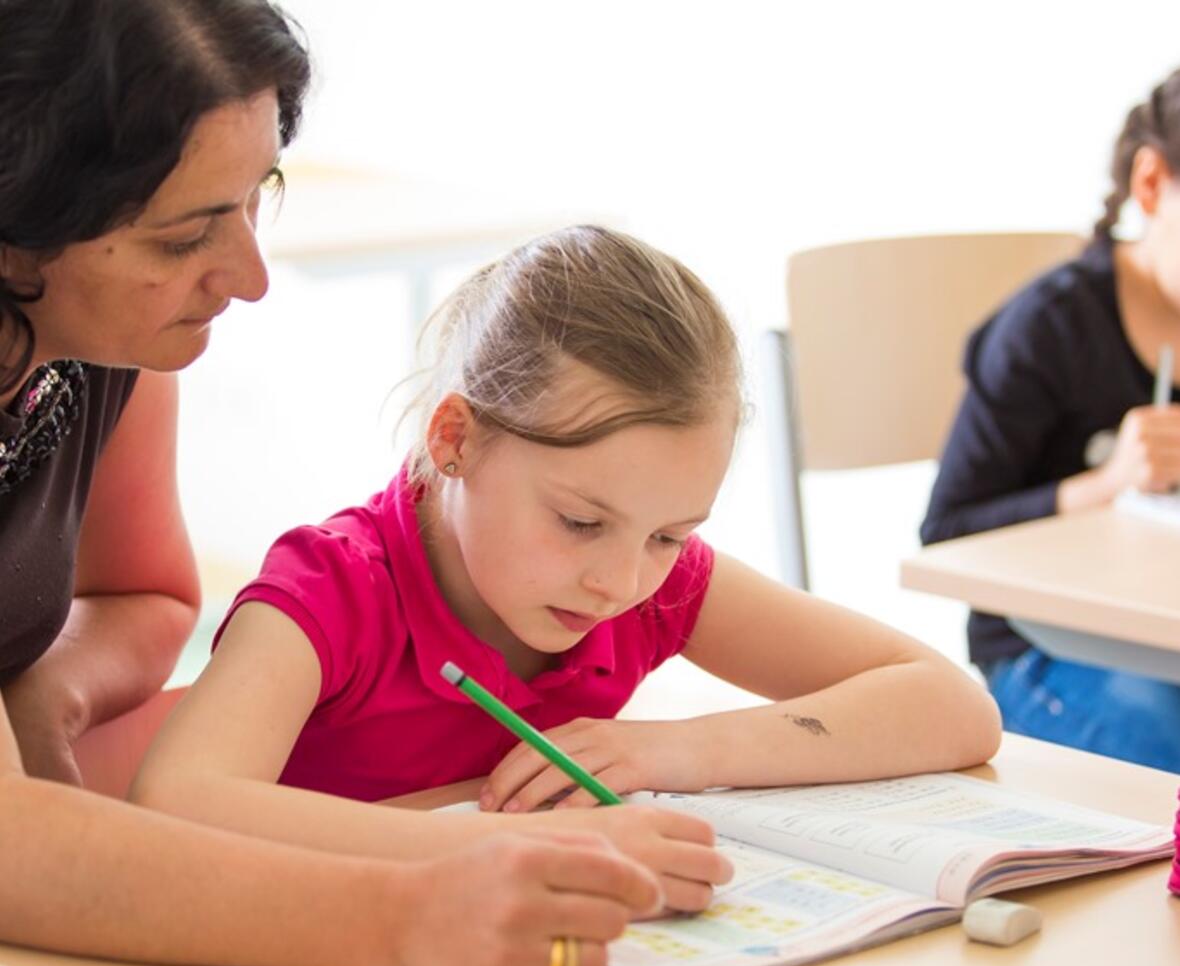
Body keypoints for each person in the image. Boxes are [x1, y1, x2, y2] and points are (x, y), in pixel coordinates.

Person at [0, 4, 712, 966]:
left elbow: (140, 593)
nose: (249, 274)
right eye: (188, 234)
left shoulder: (98, 345)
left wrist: (43, 685)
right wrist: (414, 914)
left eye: (255, 197)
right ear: (24, 229)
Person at [135, 225, 1001, 834]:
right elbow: (176, 803)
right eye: (581, 521)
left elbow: (952, 705)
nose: (622, 583)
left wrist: (665, 752)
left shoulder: (650, 587)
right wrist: (475, 851)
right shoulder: (333, 590)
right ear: (455, 439)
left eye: (669, 536)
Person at [921, 67, 1180, 774]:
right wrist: (1110, 482)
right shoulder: (1049, 329)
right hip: (1050, 652)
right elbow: (946, 533)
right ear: (1152, 184)